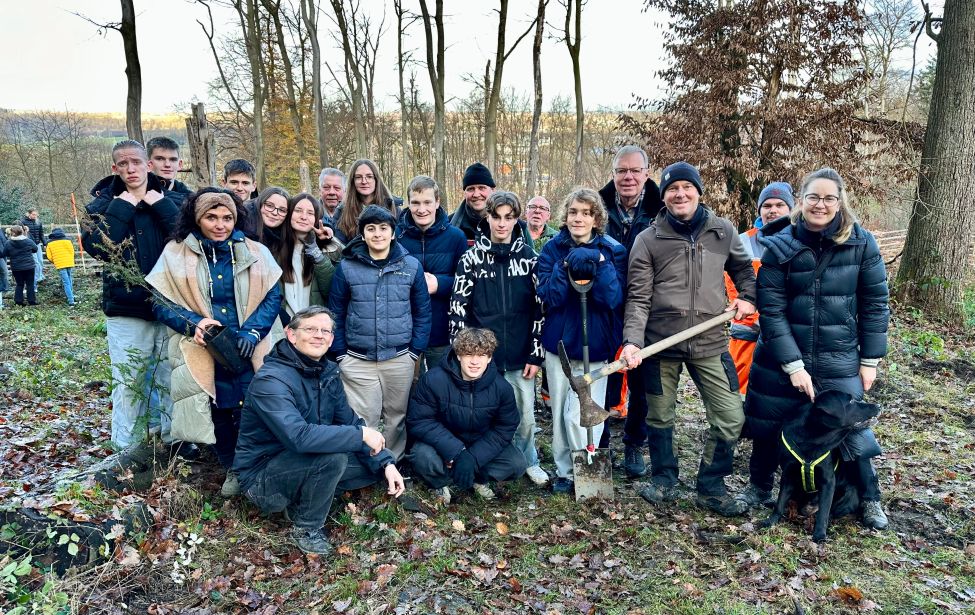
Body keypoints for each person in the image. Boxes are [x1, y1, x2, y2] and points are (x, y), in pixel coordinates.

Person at [740, 168, 890, 529]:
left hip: (839, 356)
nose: (820, 205)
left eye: (828, 198)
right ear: (801, 202)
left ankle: (869, 497)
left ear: (840, 202)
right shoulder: (778, 245)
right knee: (767, 420)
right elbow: (771, 311)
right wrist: (792, 365)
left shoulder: (862, 243)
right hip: (780, 354)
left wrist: (869, 360)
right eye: (813, 197)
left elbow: (875, 303)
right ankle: (759, 487)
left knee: (851, 430)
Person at [620, 162, 756, 516]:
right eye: (672, 189)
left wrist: (747, 296)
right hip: (660, 344)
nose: (680, 194)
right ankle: (664, 478)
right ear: (662, 196)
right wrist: (633, 341)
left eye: (686, 187)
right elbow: (638, 297)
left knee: (730, 416)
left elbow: (744, 270)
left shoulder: (722, 231)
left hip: (710, 341)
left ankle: (711, 486)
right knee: (660, 415)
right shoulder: (648, 239)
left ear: (699, 191)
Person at [233, 305, 405, 555]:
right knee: (333, 458)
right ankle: (306, 527)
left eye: (325, 331)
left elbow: (349, 422)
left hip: (305, 459)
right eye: (311, 329)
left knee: (373, 468)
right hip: (263, 477)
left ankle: (310, 495)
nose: (319, 335)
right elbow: (299, 438)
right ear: (291, 335)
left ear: (332, 339)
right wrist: (360, 435)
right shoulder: (271, 380)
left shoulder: (327, 372)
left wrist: (387, 463)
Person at [146, 188, 283, 497]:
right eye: (211, 217)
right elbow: (160, 302)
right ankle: (233, 467)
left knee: (255, 404)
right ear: (197, 219)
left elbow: (272, 295)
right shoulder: (175, 253)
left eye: (227, 218)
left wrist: (253, 332)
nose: (220, 224)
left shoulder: (256, 251)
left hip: (249, 344)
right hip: (205, 346)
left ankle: (257, 464)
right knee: (218, 407)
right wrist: (192, 323)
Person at [82, 140, 186, 450]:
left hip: (172, 304)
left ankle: (173, 439)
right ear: (115, 168)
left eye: (136, 163)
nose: (131, 169)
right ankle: (125, 447)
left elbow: (187, 236)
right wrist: (123, 206)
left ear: (147, 165)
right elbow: (97, 247)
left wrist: (160, 204)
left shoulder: (174, 199)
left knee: (170, 377)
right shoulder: (101, 205)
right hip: (127, 308)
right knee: (129, 381)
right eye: (123, 164)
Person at [449, 191, 548, 486]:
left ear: (517, 219)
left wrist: (535, 353)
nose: (502, 224)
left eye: (508, 217)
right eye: (496, 217)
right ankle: (483, 464)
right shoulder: (470, 259)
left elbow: (540, 309)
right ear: (487, 218)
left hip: (520, 356)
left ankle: (529, 459)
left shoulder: (530, 259)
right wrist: (463, 354)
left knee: (525, 417)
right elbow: (457, 309)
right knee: (481, 416)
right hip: (481, 358)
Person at [537, 188, 628, 494]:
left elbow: (612, 297)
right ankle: (565, 472)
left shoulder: (612, 250)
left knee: (585, 412)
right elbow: (550, 296)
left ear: (596, 218)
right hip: (560, 344)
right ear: (566, 215)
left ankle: (586, 466)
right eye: (574, 212)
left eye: (586, 213)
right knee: (561, 410)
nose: (579, 218)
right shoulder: (552, 249)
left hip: (597, 344)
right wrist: (566, 266)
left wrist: (599, 263)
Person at [328, 205, 431, 459]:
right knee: (365, 416)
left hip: (399, 357)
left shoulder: (411, 266)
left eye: (383, 228)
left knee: (397, 415)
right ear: (362, 234)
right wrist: (341, 352)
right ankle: (368, 463)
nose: (377, 234)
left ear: (393, 233)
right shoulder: (347, 267)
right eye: (371, 229)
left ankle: (392, 460)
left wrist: (414, 351)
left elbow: (422, 312)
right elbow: (336, 312)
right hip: (357, 359)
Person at [598, 145, 665, 479]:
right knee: (606, 373)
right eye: (621, 171)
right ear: (613, 174)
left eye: (635, 171)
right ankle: (601, 441)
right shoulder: (598, 207)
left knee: (641, 380)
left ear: (646, 173)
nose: (628, 177)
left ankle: (634, 443)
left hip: (648, 306)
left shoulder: (662, 209)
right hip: (605, 306)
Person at [407, 327, 528, 502]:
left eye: (481, 355)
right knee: (421, 456)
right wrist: (456, 452)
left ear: (489, 358)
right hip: (443, 445)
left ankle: (477, 479)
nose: (474, 362)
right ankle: (440, 483)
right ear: (458, 355)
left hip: (479, 443)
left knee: (516, 463)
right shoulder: (434, 380)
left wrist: (473, 458)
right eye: (469, 354)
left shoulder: (501, 388)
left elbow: (505, 427)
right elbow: (419, 420)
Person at [723, 182, 794, 397]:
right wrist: (755, 319)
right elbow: (734, 286)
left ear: (791, 209)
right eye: (767, 205)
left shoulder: (801, 240)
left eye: (780, 205)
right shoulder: (743, 242)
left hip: (788, 327)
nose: (773, 210)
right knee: (739, 381)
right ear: (760, 210)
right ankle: (739, 423)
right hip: (748, 328)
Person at [397, 175, 468, 372]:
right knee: (409, 392)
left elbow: (467, 283)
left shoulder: (456, 237)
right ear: (409, 204)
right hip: (406, 331)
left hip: (442, 329)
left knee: (443, 387)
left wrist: (439, 283)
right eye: (415, 203)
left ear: (437, 202)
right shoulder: (396, 237)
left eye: (427, 202)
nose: (421, 209)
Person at [274, 193, 342, 323]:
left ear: (317, 219)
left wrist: (329, 241)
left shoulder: (326, 250)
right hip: (284, 326)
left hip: (314, 326)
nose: (303, 217)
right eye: (298, 211)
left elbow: (332, 291)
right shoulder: (274, 249)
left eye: (310, 213)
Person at [331, 159, 402, 243]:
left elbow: (399, 243)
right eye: (358, 177)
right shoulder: (342, 211)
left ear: (376, 179)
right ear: (352, 181)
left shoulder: (392, 207)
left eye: (369, 176)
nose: (364, 181)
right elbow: (340, 245)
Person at [450, 162, 496, 244]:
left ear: (493, 190)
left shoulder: (512, 226)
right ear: (465, 193)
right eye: (471, 189)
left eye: (481, 188)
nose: (476, 194)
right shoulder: (449, 226)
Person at [247, 186, 291, 252]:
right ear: (259, 205)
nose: (275, 212)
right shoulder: (243, 231)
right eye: (269, 206)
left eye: (282, 210)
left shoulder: (289, 239)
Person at [6, 226, 38, 306]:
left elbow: (5, 253)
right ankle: (32, 301)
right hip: (29, 266)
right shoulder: (28, 241)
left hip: (16, 267)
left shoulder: (8, 243)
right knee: (30, 283)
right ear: (22, 232)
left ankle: (18, 301)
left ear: (12, 233)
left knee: (19, 284)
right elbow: (35, 249)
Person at [45, 228, 76, 306]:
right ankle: (71, 296)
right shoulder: (68, 240)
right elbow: (72, 251)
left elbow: (49, 256)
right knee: (69, 279)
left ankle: (71, 300)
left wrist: (54, 261)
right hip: (69, 262)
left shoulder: (49, 243)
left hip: (60, 264)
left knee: (66, 282)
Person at [20, 209, 45, 291]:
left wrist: (45, 243)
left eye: (36, 215)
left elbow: (41, 233)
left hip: (37, 244)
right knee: (36, 262)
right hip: (30, 245)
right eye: (33, 214)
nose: (35, 216)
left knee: (40, 261)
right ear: (29, 214)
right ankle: (36, 279)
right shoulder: (23, 222)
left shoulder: (38, 222)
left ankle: (40, 275)